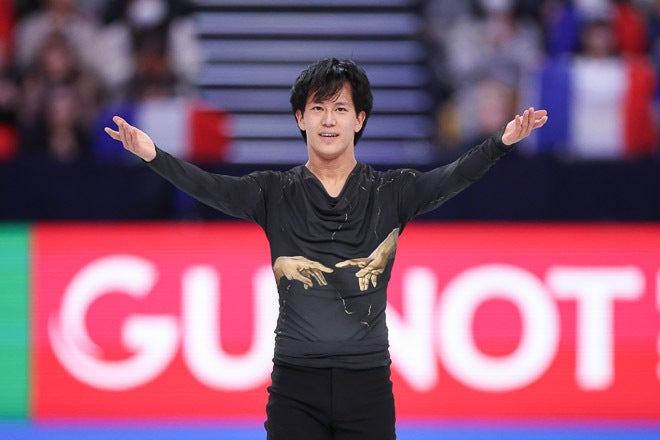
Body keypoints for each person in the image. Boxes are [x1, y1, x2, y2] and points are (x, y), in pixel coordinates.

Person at [105, 57, 548, 440]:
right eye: (318, 108)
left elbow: (453, 176)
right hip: (294, 387)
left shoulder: (392, 191)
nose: (329, 120)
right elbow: (210, 187)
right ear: (301, 118)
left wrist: (500, 143)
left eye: (340, 108)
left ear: (360, 119)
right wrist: (153, 155)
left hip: (368, 387)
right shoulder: (274, 192)